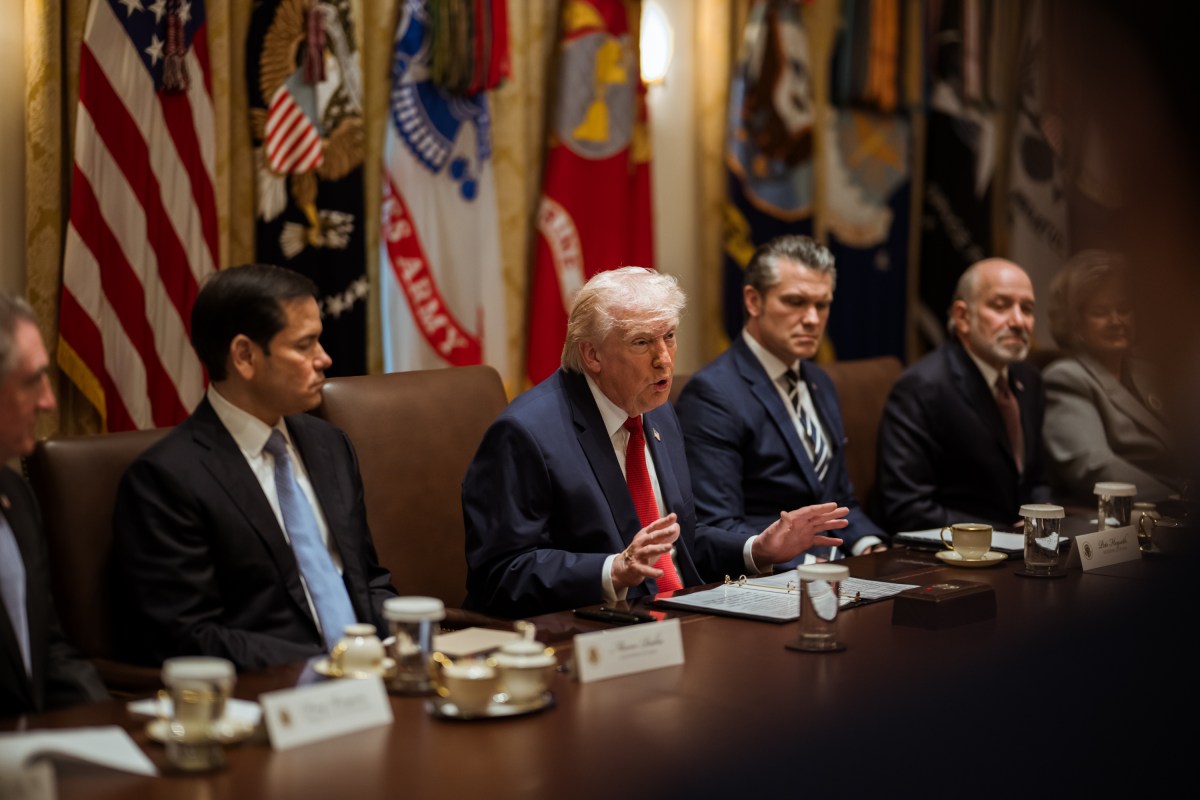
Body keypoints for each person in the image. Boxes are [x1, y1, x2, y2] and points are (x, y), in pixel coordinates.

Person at [463, 267, 848, 618]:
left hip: (688, 615)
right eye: (642, 343)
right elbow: (500, 575)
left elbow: (682, 544)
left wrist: (756, 549)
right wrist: (612, 570)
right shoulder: (526, 433)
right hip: (595, 632)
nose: (664, 360)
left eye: (669, 336)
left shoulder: (657, 411)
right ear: (592, 354)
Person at [113, 265, 397, 671]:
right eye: (305, 345)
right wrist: (327, 664)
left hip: (373, 684)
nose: (324, 359)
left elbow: (366, 580)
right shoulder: (167, 480)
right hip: (270, 701)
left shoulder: (329, 445)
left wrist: (410, 638)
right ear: (244, 356)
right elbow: (186, 637)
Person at [676, 236, 887, 567]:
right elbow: (717, 527)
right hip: (773, 580)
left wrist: (869, 545)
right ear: (753, 301)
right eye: (795, 302)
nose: (812, 319)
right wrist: (803, 565)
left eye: (822, 304)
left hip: (838, 569)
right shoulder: (714, 394)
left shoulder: (820, 382)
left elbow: (839, 500)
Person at [877, 258, 1051, 531]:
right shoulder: (922, 387)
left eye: (1027, 309)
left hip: (1026, 551)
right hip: (954, 556)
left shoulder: (1031, 380)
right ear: (962, 316)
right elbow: (908, 507)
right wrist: (1005, 534)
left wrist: (1041, 521)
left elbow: (1038, 480)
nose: (1018, 321)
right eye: (1001, 306)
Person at [1, 294, 108, 716]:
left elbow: (48, 649)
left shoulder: (16, 493)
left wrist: (110, 729)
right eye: (33, 381)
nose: (49, 401)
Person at [1042, 250, 1180, 502]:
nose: (1116, 321)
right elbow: (1093, 465)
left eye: (1124, 308)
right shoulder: (1066, 378)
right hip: (1128, 518)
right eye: (1100, 312)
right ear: (1077, 322)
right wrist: (1178, 499)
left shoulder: (1148, 371)